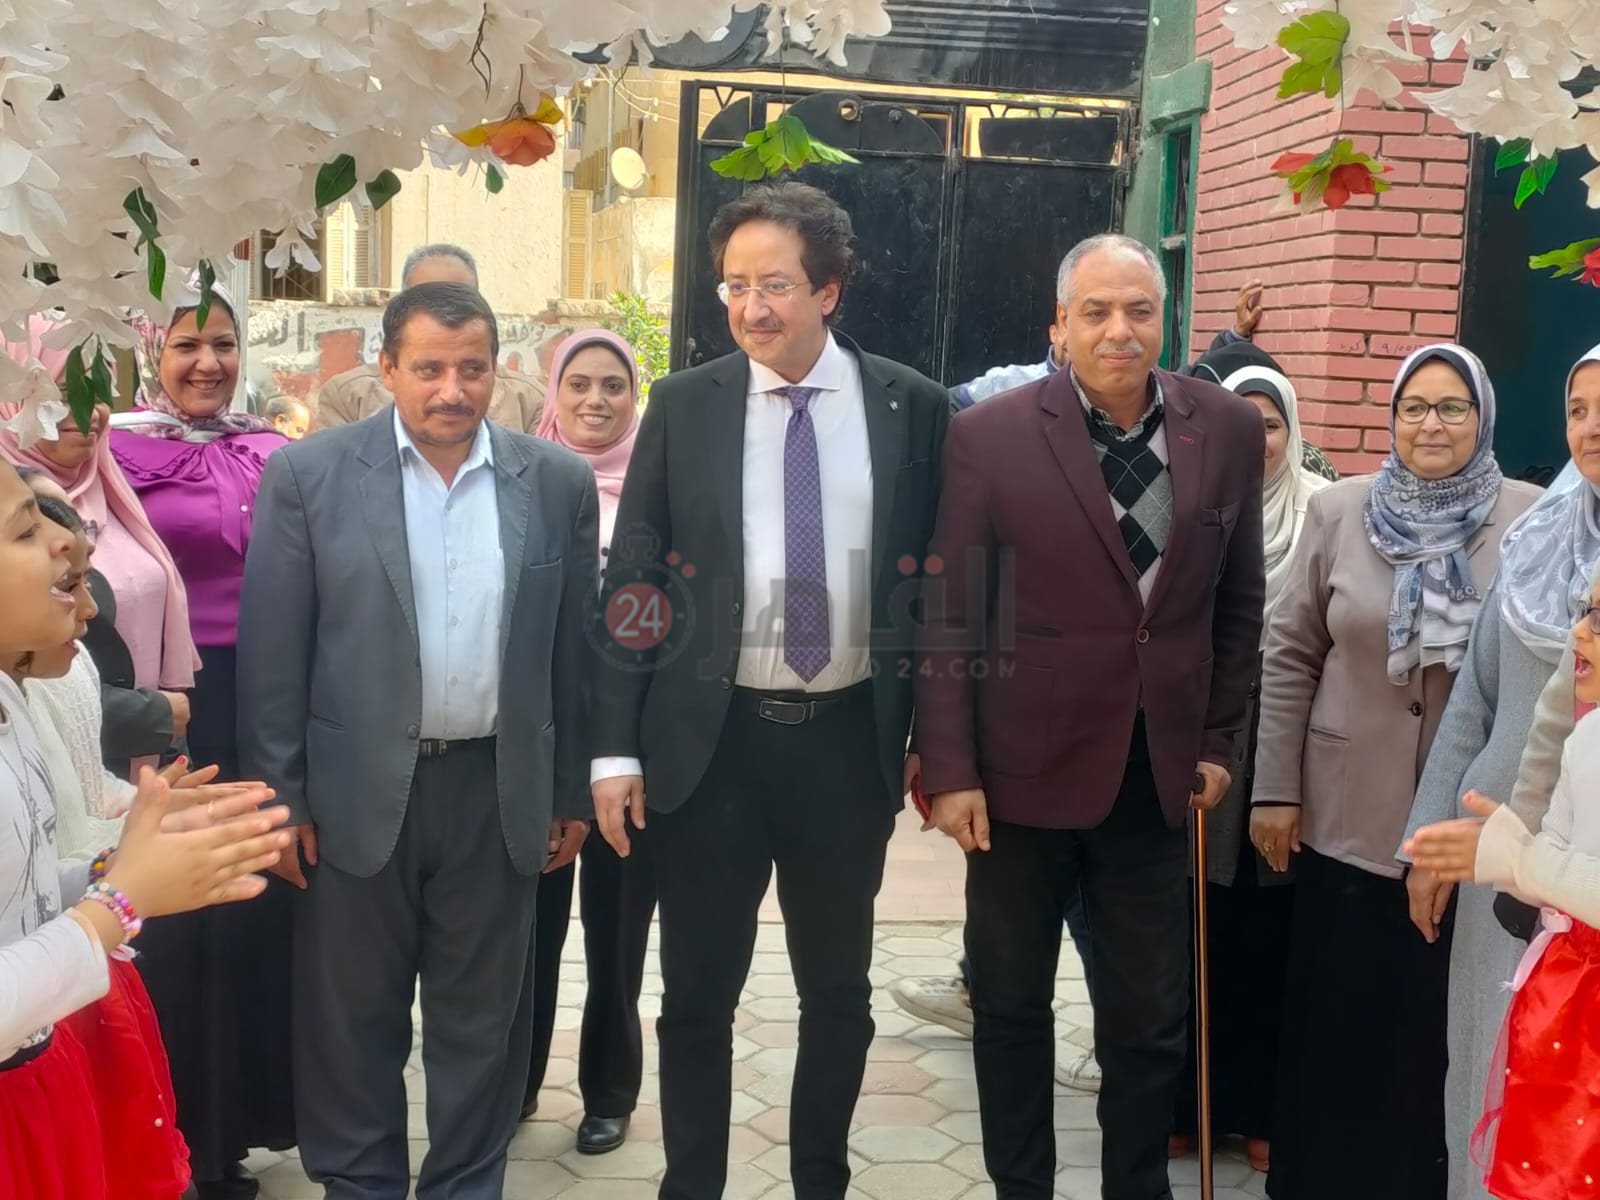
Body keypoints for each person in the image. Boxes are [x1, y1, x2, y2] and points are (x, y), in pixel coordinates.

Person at [589, 181, 950, 1200]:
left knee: (838, 992)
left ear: (829, 289)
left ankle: (819, 1182)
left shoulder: (910, 407)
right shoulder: (685, 404)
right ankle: (692, 1185)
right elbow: (635, 583)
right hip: (713, 748)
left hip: (846, 745)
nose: (751, 307)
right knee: (697, 996)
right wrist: (615, 747)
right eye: (734, 285)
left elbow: (938, 582)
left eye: (776, 285)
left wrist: (935, 739)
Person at [914, 232, 1265, 1200]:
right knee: (1010, 1004)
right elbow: (947, 612)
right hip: (1014, 780)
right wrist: (948, 769)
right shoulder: (988, 435)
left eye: (1139, 310)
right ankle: (1021, 1186)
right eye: (1097, 312)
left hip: (1156, 777)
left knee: (1148, 1021)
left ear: (1165, 319)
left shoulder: (1224, 429)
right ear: (1059, 326)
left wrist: (1218, 742)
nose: (1120, 331)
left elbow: (1239, 604)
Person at [238, 281, 598, 1199]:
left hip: (496, 790)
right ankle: (360, 1185)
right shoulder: (310, 476)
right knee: (351, 1019)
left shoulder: (553, 481)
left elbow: (573, 651)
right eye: (430, 368)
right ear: (388, 368)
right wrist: (281, 801)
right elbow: (273, 657)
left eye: (472, 368)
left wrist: (566, 791)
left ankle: (465, 1185)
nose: (452, 389)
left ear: (497, 371)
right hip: (353, 796)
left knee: (482, 1023)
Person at [1252, 344, 1540, 1200]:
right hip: (1346, 814)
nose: (1431, 425)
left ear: (1484, 418)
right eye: (1414, 407)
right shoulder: (1339, 511)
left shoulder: (1529, 518)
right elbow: (1289, 652)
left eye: (1452, 407)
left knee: (1434, 1022)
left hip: (1465, 824)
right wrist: (1275, 789)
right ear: (1392, 418)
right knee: (1339, 1010)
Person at [0, 454, 293, 1200]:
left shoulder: (10, 705)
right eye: (25, 531)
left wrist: (122, 863)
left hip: (39, 1079)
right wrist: (119, 903)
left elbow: (22, 899)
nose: (65, 541)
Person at [1398, 342, 1600, 1200]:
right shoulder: (1538, 543)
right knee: (1486, 1056)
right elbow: (1472, 704)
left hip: (1581, 867)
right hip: (1494, 855)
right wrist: (1430, 843)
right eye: (1579, 410)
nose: (1592, 428)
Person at [108, 281, 296, 1199]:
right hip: (171, 708)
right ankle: (176, 1144)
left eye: (223, 344)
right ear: (153, 352)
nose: (208, 363)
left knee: (254, 914)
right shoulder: (113, 451)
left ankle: (239, 1133)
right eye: (186, 345)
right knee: (178, 926)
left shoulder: (276, 450)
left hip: (269, 701)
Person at [1167, 364, 1330, 1173]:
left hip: (1288, 740)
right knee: (1194, 928)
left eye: (1271, 424)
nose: (1258, 439)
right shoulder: (1192, 505)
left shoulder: (1323, 512)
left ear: (1291, 432)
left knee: (1271, 933)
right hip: (1205, 734)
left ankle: (1261, 1109)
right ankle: (1185, 1107)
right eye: (1244, 421)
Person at [523, 329, 654, 1154]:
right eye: (578, 384)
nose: (595, 400)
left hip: (630, 746)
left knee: (618, 932)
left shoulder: (659, 487)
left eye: (613, 385)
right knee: (527, 932)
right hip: (537, 742)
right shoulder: (522, 481)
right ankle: (516, 1084)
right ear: (554, 392)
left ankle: (609, 1090)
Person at [1, 317, 198, 779]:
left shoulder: (112, 488)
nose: (90, 411)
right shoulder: (12, 502)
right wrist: (151, 716)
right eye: (65, 393)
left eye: (99, 391)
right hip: (56, 764)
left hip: (145, 759)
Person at [314, 243, 546, 433]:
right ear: (388, 368)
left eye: (458, 297)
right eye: (429, 371)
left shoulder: (527, 399)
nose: (451, 395)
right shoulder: (349, 395)